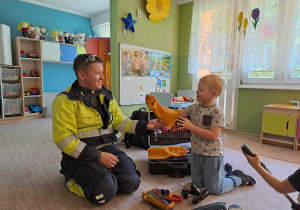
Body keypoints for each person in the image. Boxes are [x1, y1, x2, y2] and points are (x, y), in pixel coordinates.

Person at [52, 54, 164, 205]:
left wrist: (145, 125)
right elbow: (63, 139)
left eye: (102, 72)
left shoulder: (106, 95)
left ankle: (104, 177)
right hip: (82, 155)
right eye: (97, 73)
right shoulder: (65, 101)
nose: (102, 77)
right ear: (82, 74)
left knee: (132, 183)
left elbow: (119, 121)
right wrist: (97, 156)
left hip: (108, 148)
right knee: (103, 194)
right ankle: (72, 179)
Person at [176, 74, 256, 195]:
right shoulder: (194, 107)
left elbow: (213, 135)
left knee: (215, 189)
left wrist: (191, 127)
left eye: (201, 89)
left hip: (211, 155)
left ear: (214, 94)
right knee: (197, 184)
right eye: (197, 88)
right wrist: (158, 109)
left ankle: (239, 178)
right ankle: (223, 171)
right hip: (197, 152)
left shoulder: (217, 111)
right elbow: (176, 113)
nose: (196, 91)